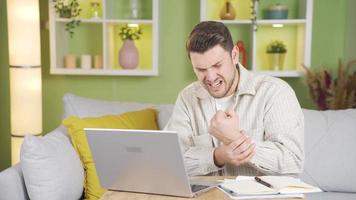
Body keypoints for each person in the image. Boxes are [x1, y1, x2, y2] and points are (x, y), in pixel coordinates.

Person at [165, 21, 304, 177]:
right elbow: (169, 161)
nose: (210, 77)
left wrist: (233, 138)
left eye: (217, 65)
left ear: (234, 55)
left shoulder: (274, 92)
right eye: (201, 69)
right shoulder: (188, 98)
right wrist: (218, 156)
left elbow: (292, 162)